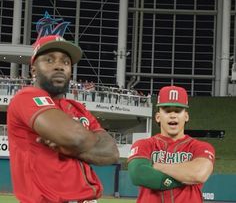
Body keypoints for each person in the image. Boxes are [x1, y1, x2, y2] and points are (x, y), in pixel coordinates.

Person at [7, 35, 119, 203]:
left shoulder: (78, 108)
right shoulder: (26, 97)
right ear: (34, 70)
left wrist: (73, 149)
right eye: (49, 60)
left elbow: (112, 153)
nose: (59, 66)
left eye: (65, 62)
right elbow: (76, 136)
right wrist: (88, 142)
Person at [128, 85, 215, 203]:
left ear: (186, 116)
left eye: (178, 111)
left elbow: (199, 174)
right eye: (167, 110)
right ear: (158, 117)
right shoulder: (143, 145)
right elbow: (138, 174)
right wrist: (184, 177)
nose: (173, 115)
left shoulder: (201, 147)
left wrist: (156, 166)